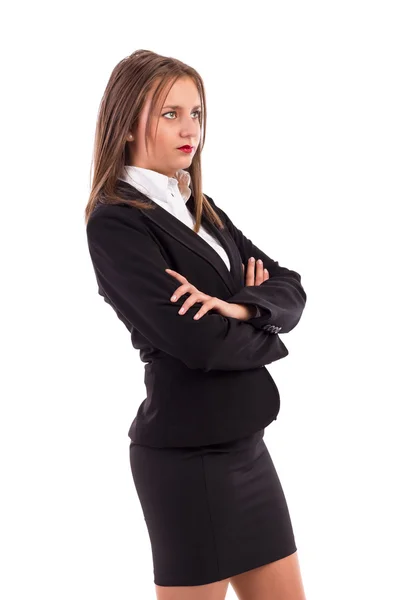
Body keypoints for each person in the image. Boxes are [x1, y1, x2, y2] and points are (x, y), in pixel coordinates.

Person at [85, 49, 308, 600]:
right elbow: (196, 341)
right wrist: (257, 311)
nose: (191, 129)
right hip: (187, 460)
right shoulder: (116, 222)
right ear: (128, 118)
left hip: (246, 447)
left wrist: (236, 304)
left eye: (197, 113)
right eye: (171, 114)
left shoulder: (200, 208)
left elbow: (291, 287)